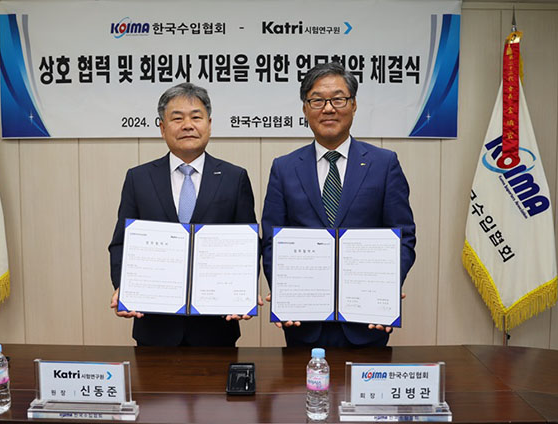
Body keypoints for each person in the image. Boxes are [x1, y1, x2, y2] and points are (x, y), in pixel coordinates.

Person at [261, 62, 416, 347]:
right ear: (305, 108)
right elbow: (272, 241)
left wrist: (387, 287)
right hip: (304, 322)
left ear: (354, 105)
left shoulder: (384, 164)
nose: (328, 109)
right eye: (317, 100)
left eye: (338, 99)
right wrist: (284, 293)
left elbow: (403, 237)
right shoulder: (284, 168)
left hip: (367, 321)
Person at [108, 83, 257, 346]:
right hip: (155, 325)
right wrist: (126, 288)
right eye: (177, 118)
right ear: (162, 127)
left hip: (216, 327)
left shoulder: (234, 178)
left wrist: (242, 292)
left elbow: (248, 244)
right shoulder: (138, 178)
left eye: (196, 117)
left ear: (209, 124)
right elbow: (121, 243)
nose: (188, 125)